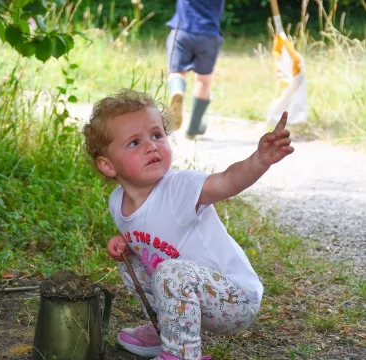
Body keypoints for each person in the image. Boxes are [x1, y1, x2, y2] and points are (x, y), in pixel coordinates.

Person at [82, 89, 294, 360]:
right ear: (108, 165)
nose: (151, 146)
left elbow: (227, 181)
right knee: (132, 259)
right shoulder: (117, 201)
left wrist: (259, 160)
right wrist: (125, 242)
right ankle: (167, 331)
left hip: (233, 298)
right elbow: (151, 236)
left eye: (157, 135)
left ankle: (181, 354)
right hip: (190, 293)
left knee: (171, 272)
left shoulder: (179, 188)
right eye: (134, 142)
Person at [165, 0, 226, 139]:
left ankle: (177, 91)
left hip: (181, 31)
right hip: (209, 35)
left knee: (176, 73)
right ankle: (193, 128)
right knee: (203, 81)